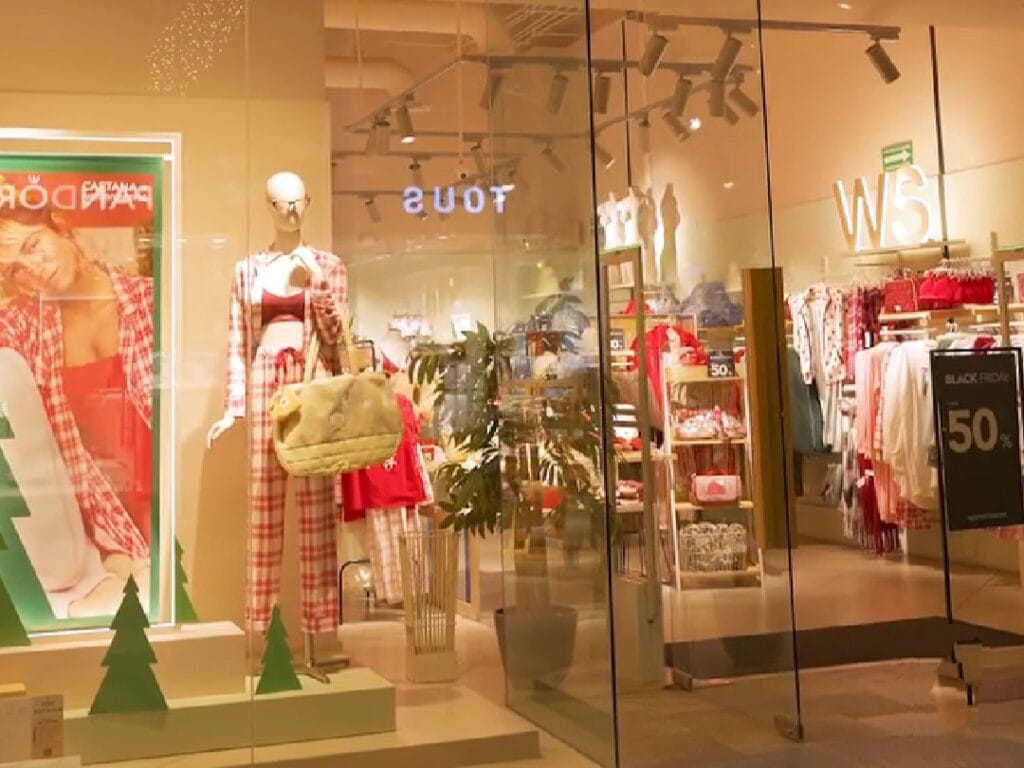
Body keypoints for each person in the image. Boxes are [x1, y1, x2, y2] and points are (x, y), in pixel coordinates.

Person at [0, 201, 152, 577]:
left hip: (176, 509)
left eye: (33, 246)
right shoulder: (27, 326)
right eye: (14, 269)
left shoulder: (149, 300)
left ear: (62, 228)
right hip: (101, 539)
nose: (33, 269)